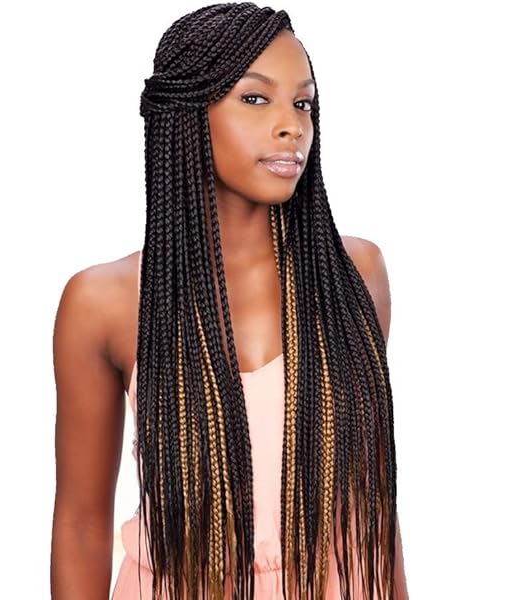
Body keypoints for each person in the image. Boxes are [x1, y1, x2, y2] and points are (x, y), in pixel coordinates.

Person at [50, 3, 409, 599]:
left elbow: (373, 501)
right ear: (187, 114)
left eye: (303, 103)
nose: (292, 126)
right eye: (255, 98)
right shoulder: (103, 302)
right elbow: (81, 525)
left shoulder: (355, 274)